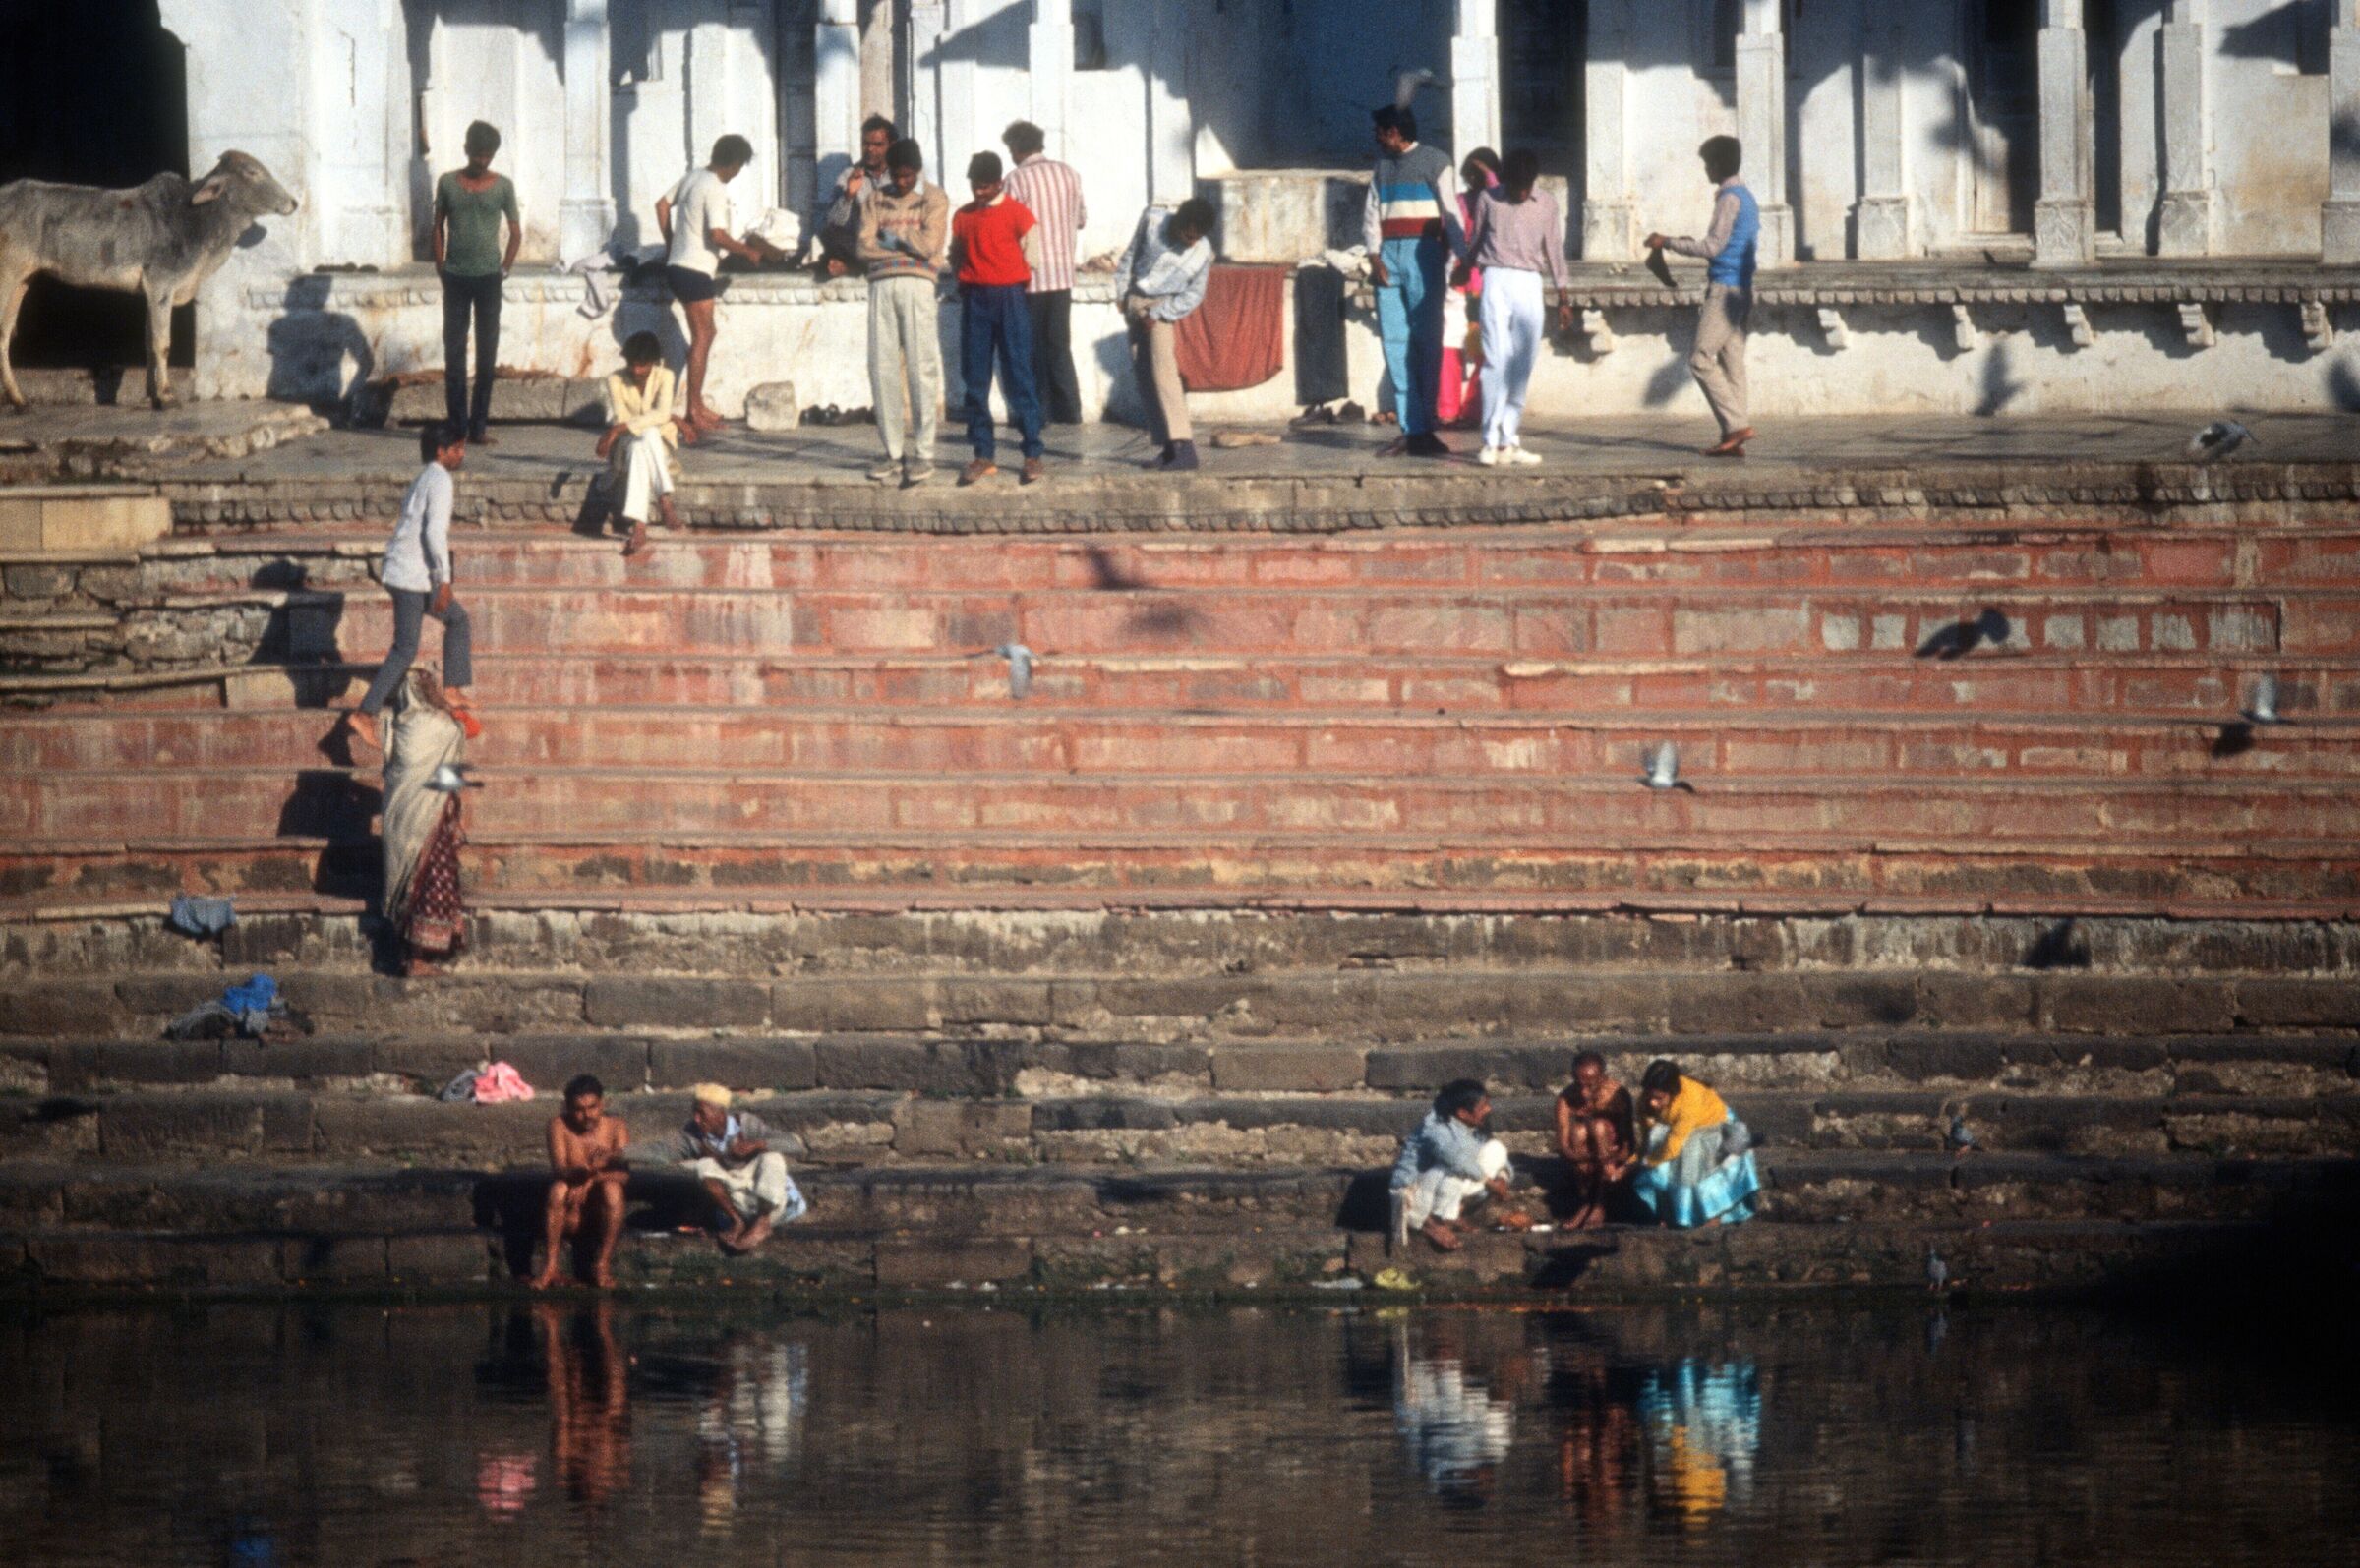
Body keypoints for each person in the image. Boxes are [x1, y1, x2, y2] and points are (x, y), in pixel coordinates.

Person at [344, 423, 475, 754]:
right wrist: (444, 579)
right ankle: (364, 713)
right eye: (456, 449)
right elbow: (434, 534)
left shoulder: (425, 478)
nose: (461, 455)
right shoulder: (440, 480)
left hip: (411, 574)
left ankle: (454, 688)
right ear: (440, 452)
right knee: (405, 648)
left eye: (462, 448)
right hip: (410, 577)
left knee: (457, 620)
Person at [1363, 102, 1466, 457]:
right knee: (1395, 343)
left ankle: (1426, 426)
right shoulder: (1381, 168)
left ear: (1394, 132)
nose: (1375, 138)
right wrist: (1374, 255)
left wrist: (1463, 259)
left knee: (1427, 343)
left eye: (1379, 131)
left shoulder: (1437, 162)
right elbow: (1372, 214)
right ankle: (1413, 428)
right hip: (1388, 258)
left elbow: (1450, 213)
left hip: (1425, 255)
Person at [1646, 135, 1759, 457]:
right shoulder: (1746, 196)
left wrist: (1667, 242)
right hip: (1743, 287)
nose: (1706, 169)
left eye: (1708, 164)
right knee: (1732, 359)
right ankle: (1733, 433)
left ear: (1719, 165)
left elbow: (1712, 247)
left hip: (1725, 289)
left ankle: (1736, 425)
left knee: (1700, 358)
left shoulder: (1729, 199)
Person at [1458, 147, 1572, 467]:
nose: (1521, 193)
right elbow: (1477, 239)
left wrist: (1563, 298)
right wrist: (1464, 265)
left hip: (1530, 282)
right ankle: (1489, 441)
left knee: (1523, 362)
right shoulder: (1488, 199)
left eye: (1526, 187)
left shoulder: (1546, 204)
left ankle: (1509, 439)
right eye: (1515, 186)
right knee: (1496, 359)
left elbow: (1554, 250)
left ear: (1533, 182)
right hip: (1495, 278)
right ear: (1504, 179)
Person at [949, 150, 1046, 487]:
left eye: (986, 186)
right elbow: (956, 255)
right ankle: (983, 454)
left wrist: (1011, 282)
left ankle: (1032, 453)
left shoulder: (1019, 215)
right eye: (975, 185)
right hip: (976, 300)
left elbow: (1032, 258)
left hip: (1010, 299)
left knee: (1019, 374)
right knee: (975, 379)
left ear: (1000, 182)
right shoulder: (961, 217)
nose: (979, 192)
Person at [856, 137, 949, 487]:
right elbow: (863, 247)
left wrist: (893, 240)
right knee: (881, 367)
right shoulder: (875, 198)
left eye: (908, 175)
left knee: (921, 366)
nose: (903, 181)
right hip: (882, 284)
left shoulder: (934, 197)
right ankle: (892, 451)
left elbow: (931, 244)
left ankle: (924, 452)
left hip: (919, 286)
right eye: (897, 175)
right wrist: (910, 246)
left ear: (918, 170)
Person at [656, 135, 763, 435]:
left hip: (680, 266)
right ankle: (693, 409)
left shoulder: (692, 177)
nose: (738, 172)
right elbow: (717, 235)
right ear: (734, 163)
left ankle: (697, 404)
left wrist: (670, 245)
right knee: (703, 336)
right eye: (739, 166)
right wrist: (747, 251)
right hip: (694, 270)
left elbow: (661, 206)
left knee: (705, 333)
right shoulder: (714, 187)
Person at [1112, 197, 1215, 471]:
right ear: (1179, 223)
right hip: (1136, 301)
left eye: (1197, 237)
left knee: (1164, 372)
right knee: (1145, 375)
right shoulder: (1153, 221)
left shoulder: (1202, 252)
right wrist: (1122, 293)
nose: (1191, 242)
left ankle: (1184, 446)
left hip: (1163, 306)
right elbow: (1130, 256)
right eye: (1187, 235)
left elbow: (1194, 294)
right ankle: (1168, 447)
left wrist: (1158, 314)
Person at [379, 668, 469, 978]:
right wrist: (450, 708)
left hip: (399, 821)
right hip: (427, 817)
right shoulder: (442, 727)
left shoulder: (393, 725)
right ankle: (417, 959)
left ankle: (412, 957)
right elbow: (467, 731)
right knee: (429, 882)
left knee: (412, 885)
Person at [434, 121, 520, 445]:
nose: (482, 161)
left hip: (489, 280)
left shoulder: (503, 187)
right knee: (454, 352)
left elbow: (516, 233)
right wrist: (441, 266)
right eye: (478, 154)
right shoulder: (447, 183)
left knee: (487, 354)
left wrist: (505, 270)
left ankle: (478, 427)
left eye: (488, 156)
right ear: (466, 149)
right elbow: (437, 227)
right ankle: (457, 427)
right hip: (455, 278)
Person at [1001, 120, 1087, 426]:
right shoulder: (1069, 174)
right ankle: (1070, 410)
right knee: (1059, 343)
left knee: (1032, 344)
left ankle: (1040, 412)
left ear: (1016, 148)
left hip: (1031, 273)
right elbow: (1081, 220)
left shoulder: (1016, 179)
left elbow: (1007, 226)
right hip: (1063, 272)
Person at [1608, 1059, 1761, 1229]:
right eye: (1650, 1096)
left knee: (1690, 1166)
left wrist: (1638, 1165)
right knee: (1659, 1162)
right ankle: (1667, 1214)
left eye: (1659, 1099)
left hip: (1713, 1128)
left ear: (1672, 1093)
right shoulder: (1645, 1103)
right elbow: (1646, 1142)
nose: (1652, 1103)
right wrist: (1633, 1162)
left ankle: (1709, 1215)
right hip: (1678, 1132)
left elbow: (1672, 1149)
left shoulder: (1689, 1100)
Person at [1388, 1078, 1531, 1252]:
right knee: (1457, 1169)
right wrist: (1490, 1183)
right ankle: (1432, 1222)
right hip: (1414, 1197)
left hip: (1441, 1186)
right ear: (1463, 1113)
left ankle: (1453, 1214)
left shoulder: (1472, 1126)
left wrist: (1502, 1178)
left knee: (1496, 1149)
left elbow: (1499, 1157)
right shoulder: (1435, 1128)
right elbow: (1457, 1160)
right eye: (1483, 1106)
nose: (1489, 1109)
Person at [674, 1084, 808, 1254]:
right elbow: (661, 1149)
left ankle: (763, 1222)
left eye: (702, 1113)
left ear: (720, 1113)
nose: (697, 1119)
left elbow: (794, 1144)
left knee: (772, 1158)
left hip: (770, 1202)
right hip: (737, 1204)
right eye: (695, 1113)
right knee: (703, 1165)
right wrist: (628, 1152)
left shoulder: (746, 1124)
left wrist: (758, 1144)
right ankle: (737, 1221)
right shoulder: (693, 1134)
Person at [533, 1074, 630, 1289]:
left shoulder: (616, 1127)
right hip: (571, 1213)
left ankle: (602, 1264)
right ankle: (550, 1266)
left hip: (599, 1213)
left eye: (592, 1107)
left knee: (613, 1189)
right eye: (578, 1109)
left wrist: (591, 1179)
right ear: (568, 1108)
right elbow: (559, 1169)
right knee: (558, 1189)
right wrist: (579, 1171)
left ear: (602, 1103)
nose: (587, 1115)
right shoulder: (558, 1125)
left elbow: (624, 1175)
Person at [597, 331, 682, 558]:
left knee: (648, 437)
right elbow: (623, 418)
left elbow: (663, 413)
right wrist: (621, 428)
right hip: (626, 444)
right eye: (633, 365)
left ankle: (639, 526)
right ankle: (664, 499)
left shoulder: (666, 376)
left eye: (643, 365)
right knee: (643, 439)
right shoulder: (615, 379)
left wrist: (616, 429)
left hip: (657, 446)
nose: (637, 371)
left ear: (654, 363)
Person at [1437, 146, 1498, 431]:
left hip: (1486, 284)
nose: (1474, 179)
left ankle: (1474, 410)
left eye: (1480, 174)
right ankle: (1447, 409)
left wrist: (1491, 179)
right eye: (1471, 173)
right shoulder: (1458, 202)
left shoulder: (1500, 202)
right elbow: (1444, 236)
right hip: (1457, 281)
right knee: (1450, 344)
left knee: (1484, 350)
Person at [1554, 1050, 1633, 1230]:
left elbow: (1629, 1145)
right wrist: (1590, 1157)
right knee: (1579, 1131)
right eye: (1579, 1084)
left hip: (1610, 1150)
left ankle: (1598, 1204)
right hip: (1587, 1154)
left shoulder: (1617, 1095)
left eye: (1590, 1086)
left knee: (1598, 1126)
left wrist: (1610, 1158)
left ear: (1602, 1078)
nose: (1583, 1092)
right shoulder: (1566, 1099)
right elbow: (1564, 1146)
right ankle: (1585, 1203)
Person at [817, 114, 898, 277]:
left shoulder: (901, 175)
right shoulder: (849, 175)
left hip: (891, 242)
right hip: (861, 243)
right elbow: (834, 221)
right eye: (865, 144)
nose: (870, 149)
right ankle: (857, 266)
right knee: (831, 233)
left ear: (891, 146)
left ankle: (850, 268)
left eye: (878, 145)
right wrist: (848, 195)